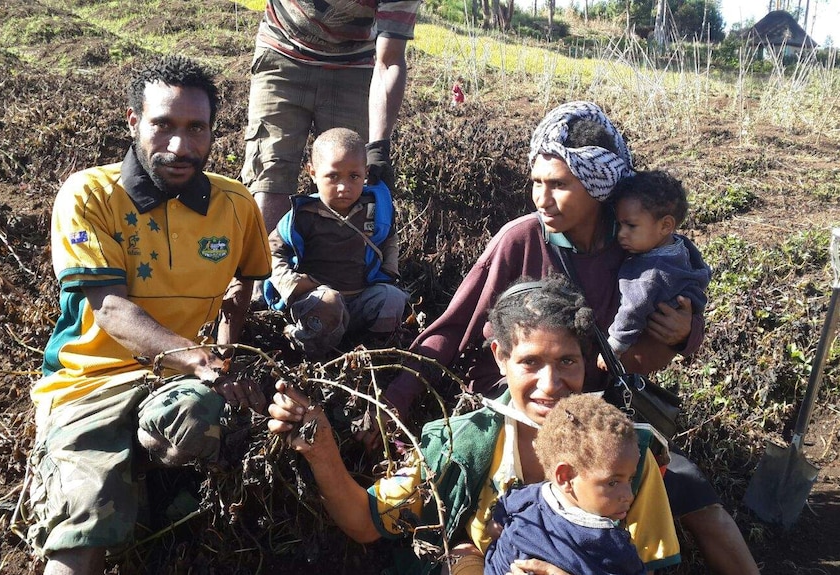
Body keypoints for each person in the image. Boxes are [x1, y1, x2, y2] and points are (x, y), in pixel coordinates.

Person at [377, 101, 758, 575]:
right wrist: (391, 401)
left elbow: (677, 318)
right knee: (480, 534)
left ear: (598, 190)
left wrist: (686, 332)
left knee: (695, 497)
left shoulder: (638, 249)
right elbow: (455, 328)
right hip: (516, 409)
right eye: (537, 182)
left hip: (598, 417)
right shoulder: (519, 240)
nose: (542, 198)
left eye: (559, 185)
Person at [27, 55, 272, 575]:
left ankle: (151, 479)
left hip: (174, 379)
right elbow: (111, 309)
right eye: (163, 125)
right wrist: (202, 360)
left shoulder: (235, 203)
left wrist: (224, 354)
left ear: (212, 132)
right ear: (133, 122)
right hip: (87, 381)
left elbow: (243, 284)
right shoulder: (90, 194)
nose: (180, 146)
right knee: (85, 527)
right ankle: (99, 485)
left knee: (195, 420)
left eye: (196, 128)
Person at [268, 274, 680, 575]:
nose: (551, 386)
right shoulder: (462, 442)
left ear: (586, 359)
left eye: (567, 362)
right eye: (530, 363)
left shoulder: (629, 452)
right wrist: (322, 450)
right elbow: (366, 522)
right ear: (500, 357)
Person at [242, 0, 421, 305]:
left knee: (346, 173)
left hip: (355, 64)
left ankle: (336, 294)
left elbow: (389, 61)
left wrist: (377, 147)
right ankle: (260, 289)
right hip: (283, 46)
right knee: (271, 170)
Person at [263, 127, 409, 356]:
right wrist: (289, 283)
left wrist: (390, 270)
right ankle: (307, 344)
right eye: (333, 176)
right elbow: (272, 250)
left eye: (354, 176)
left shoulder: (374, 209)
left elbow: (389, 236)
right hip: (316, 301)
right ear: (312, 172)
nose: (344, 187)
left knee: (392, 298)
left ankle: (375, 352)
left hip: (360, 297)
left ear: (366, 173)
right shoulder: (302, 215)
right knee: (328, 302)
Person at [485, 394, 648, 575]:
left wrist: (496, 525)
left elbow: (504, 507)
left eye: (630, 480)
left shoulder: (528, 498)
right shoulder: (609, 547)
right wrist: (496, 525)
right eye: (613, 482)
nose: (628, 495)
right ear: (566, 477)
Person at [600, 170, 711, 370]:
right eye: (618, 224)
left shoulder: (650, 275)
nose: (621, 234)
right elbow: (703, 269)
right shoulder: (680, 245)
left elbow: (633, 309)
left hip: (633, 359)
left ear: (666, 225)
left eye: (631, 226)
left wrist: (614, 346)